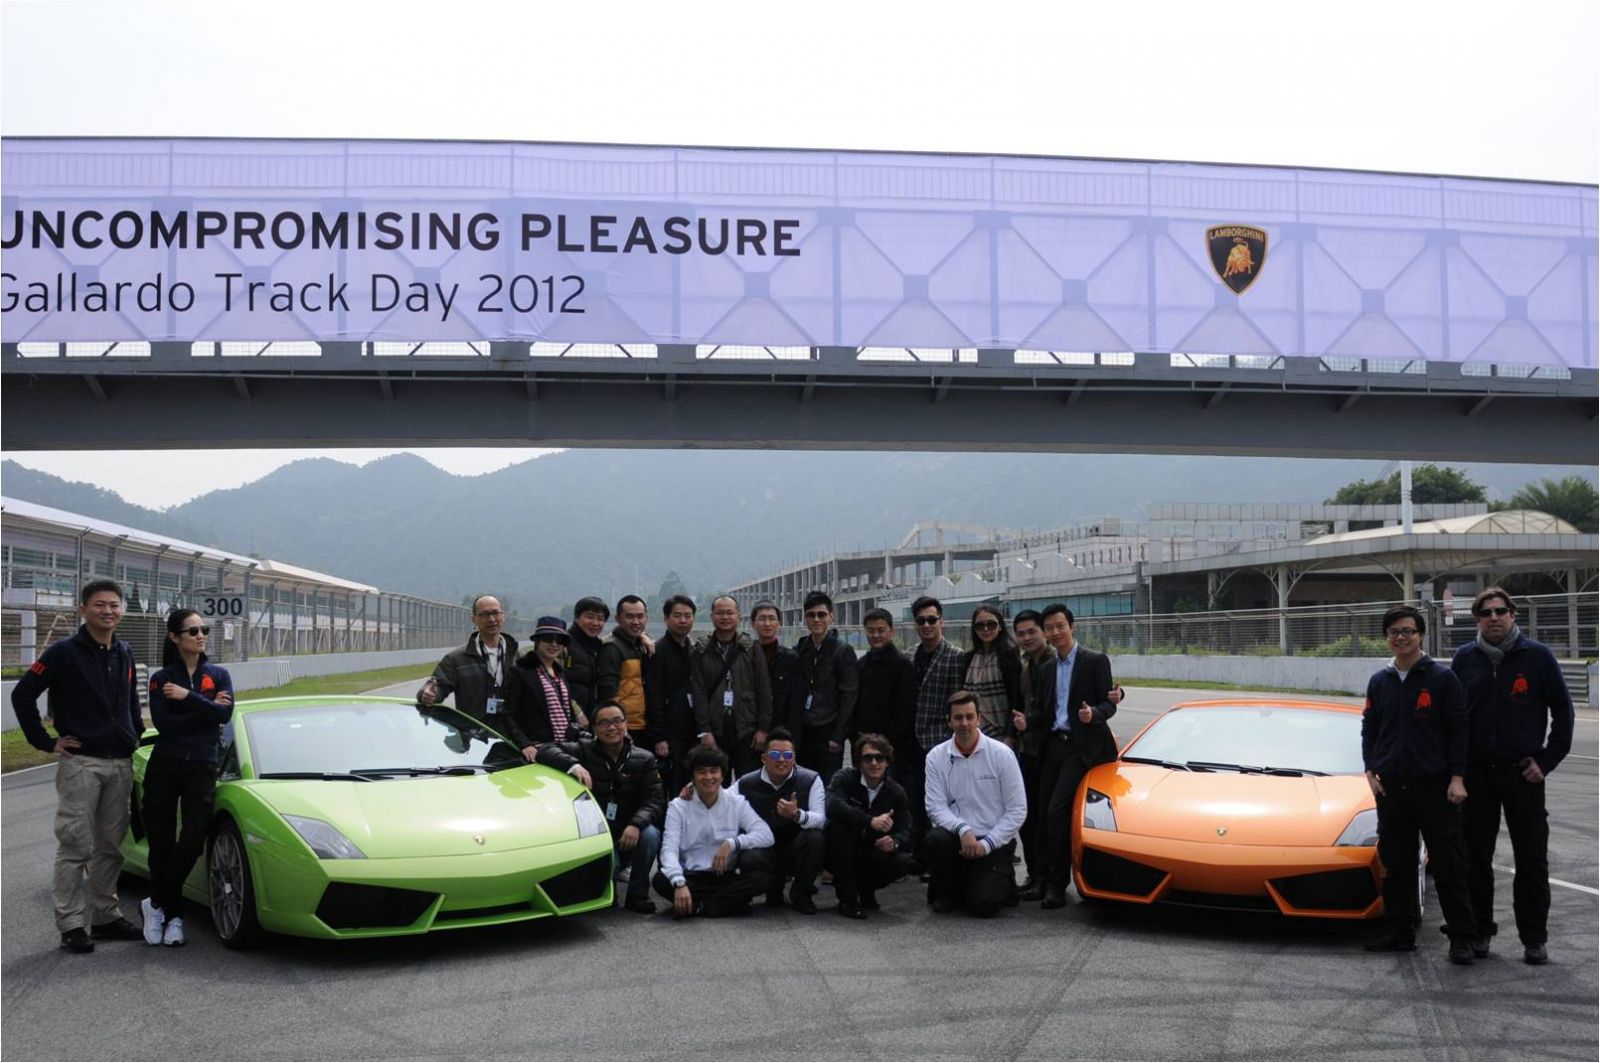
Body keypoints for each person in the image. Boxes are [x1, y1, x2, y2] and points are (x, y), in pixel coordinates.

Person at [10, 579, 146, 953]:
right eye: (100, 604)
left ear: (122, 610)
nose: (108, 611)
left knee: (111, 848)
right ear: (83, 609)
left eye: (114, 605)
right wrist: (46, 742)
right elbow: (22, 694)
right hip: (81, 764)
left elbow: (131, 704)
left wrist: (135, 735)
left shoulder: (124, 651)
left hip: (120, 762)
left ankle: (105, 917)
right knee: (75, 846)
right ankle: (70, 923)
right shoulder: (62, 653)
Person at [1451, 588, 1573, 965]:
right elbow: (1453, 719)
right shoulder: (1464, 659)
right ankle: (1479, 932)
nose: (1494, 617)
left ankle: (1534, 938)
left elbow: (1564, 713)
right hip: (1477, 776)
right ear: (1477, 619)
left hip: (1523, 775)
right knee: (1475, 858)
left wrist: (1546, 762)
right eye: (1486, 612)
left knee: (1532, 859)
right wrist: (1456, 772)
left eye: (1500, 611)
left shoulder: (1537, 657)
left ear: (1513, 615)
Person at [1361, 604, 1477, 964]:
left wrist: (1457, 778)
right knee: (1396, 864)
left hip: (1436, 788)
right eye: (1394, 632)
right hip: (1392, 789)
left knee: (1449, 864)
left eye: (1408, 631)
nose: (1401, 638)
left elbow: (1459, 730)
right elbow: (1370, 728)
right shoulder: (1379, 681)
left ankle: (1461, 938)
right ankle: (1400, 932)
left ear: (1421, 635)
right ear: (1386, 638)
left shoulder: (1442, 679)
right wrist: (1370, 771)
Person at [138, 608, 235, 947]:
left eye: (203, 629)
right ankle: (173, 915)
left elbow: (226, 714)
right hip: (165, 765)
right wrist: (207, 709)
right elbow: (165, 725)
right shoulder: (161, 678)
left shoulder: (219, 674)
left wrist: (188, 698)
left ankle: (155, 902)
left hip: (202, 767)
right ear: (174, 637)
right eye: (192, 631)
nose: (200, 635)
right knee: (161, 843)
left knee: (194, 838)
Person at [1025, 603, 1118, 909]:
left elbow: (1109, 704)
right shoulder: (1047, 668)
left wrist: (1094, 714)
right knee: (1041, 813)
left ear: (1072, 627)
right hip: (1055, 745)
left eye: (1060, 626)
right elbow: (1043, 710)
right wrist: (1027, 721)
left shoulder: (1095, 661)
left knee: (1057, 812)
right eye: (1050, 628)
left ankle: (1057, 885)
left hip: (1082, 747)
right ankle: (1041, 880)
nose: (1055, 632)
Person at [538, 701, 665, 914]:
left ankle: (638, 895)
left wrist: (636, 824)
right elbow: (545, 750)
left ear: (626, 724)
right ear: (594, 728)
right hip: (597, 828)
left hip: (629, 829)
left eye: (617, 721)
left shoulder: (644, 758)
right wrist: (573, 765)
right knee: (608, 887)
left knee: (651, 834)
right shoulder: (582, 750)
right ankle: (606, 893)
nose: (612, 727)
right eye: (604, 723)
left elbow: (655, 800)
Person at [922, 691, 1028, 917]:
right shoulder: (935, 757)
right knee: (934, 840)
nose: (964, 723)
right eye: (958, 717)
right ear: (949, 721)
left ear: (979, 718)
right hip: (957, 838)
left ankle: (999, 882)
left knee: (982, 906)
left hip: (993, 840)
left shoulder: (1002, 755)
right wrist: (962, 829)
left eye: (969, 717)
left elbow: (1017, 810)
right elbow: (935, 806)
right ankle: (950, 891)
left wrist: (987, 844)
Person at [654, 745, 775, 918]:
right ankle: (724, 904)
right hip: (690, 877)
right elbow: (669, 849)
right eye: (701, 772)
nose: (709, 777)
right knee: (661, 879)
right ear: (692, 777)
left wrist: (732, 843)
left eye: (714, 771)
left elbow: (766, 834)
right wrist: (679, 883)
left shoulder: (736, 802)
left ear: (722, 775)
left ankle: (700, 907)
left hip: (725, 877)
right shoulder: (678, 806)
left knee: (762, 877)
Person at [735, 728, 827, 913]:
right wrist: (693, 791)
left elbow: (821, 819)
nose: (782, 760)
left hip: (795, 847)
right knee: (748, 856)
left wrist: (797, 815)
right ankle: (772, 888)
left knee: (816, 838)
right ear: (764, 758)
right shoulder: (745, 782)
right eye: (775, 754)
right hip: (764, 849)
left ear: (794, 758)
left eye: (788, 755)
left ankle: (801, 893)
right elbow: (721, 800)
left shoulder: (811, 779)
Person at [825, 732, 916, 918]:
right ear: (859, 762)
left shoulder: (896, 792)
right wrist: (870, 820)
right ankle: (847, 900)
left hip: (872, 850)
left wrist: (895, 841)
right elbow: (832, 806)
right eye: (868, 758)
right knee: (839, 830)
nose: (874, 763)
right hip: (840, 850)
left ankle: (866, 890)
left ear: (887, 762)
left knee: (903, 862)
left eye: (879, 758)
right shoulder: (844, 778)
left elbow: (907, 830)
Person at [690, 595, 773, 780]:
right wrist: (705, 731)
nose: (725, 617)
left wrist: (763, 729)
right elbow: (699, 693)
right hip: (715, 730)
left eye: (730, 612)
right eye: (720, 613)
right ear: (712, 616)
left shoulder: (751, 649)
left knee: (748, 785)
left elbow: (763, 690)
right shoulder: (701, 651)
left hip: (747, 729)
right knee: (717, 785)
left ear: (738, 616)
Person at [906, 596, 967, 842]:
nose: (926, 625)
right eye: (921, 621)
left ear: (942, 621)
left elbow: (957, 700)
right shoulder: (910, 655)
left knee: (944, 801)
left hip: (939, 740)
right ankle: (920, 850)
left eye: (931, 620)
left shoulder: (955, 656)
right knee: (914, 800)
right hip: (911, 741)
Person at [417, 594, 517, 728]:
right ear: (474, 619)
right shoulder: (457, 659)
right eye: (485, 614)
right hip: (473, 734)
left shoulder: (518, 657)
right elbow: (437, 685)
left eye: (495, 613)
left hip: (511, 735)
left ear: (503, 616)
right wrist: (428, 694)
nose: (492, 619)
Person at [793, 591, 859, 777]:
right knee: (804, 783)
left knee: (827, 784)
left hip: (828, 733)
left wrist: (838, 735)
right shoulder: (800, 650)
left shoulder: (842, 651)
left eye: (821, 614)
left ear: (831, 617)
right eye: (811, 615)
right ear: (805, 618)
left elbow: (849, 696)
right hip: (804, 732)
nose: (816, 619)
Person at [1011, 609, 1052, 894]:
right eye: (1021, 633)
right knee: (1028, 816)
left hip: (1051, 750)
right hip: (1028, 749)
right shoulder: (1025, 664)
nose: (1026, 638)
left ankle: (1047, 878)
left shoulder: (1056, 662)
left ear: (1043, 631)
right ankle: (1034, 875)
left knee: (1047, 818)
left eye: (1031, 632)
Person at [503, 617, 582, 759]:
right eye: (548, 639)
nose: (554, 644)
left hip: (566, 746)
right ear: (537, 641)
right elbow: (509, 714)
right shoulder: (521, 672)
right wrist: (524, 744)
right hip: (540, 748)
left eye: (559, 640)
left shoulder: (560, 673)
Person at [650, 594, 700, 797]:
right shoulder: (657, 651)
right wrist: (659, 736)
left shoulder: (694, 649)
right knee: (674, 787)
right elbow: (654, 695)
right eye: (677, 615)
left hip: (694, 730)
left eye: (688, 616)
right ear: (666, 618)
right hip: (671, 734)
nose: (683, 620)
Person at [853, 608, 917, 756]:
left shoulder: (903, 665)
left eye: (881, 630)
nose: (876, 635)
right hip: (862, 743)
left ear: (892, 631)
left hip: (893, 746)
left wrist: (887, 741)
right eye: (871, 630)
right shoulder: (861, 665)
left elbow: (906, 711)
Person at [597, 595, 657, 751]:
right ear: (618, 619)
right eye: (629, 617)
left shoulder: (641, 645)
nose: (636, 622)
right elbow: (608, 691)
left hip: (644, 723)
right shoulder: (611, 648)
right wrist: (619, 727)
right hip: (626, 728)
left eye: (640, 616)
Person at [962, 603, 1022, 743]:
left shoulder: (1009, 655)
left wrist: (1010, 735)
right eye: (980, 625)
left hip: (1001, 731)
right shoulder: (969, 658)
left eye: (991, 624)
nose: (986, 629)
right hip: (973, 731)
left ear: (1000, 626)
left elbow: (1015, 698)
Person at [752, 600, 805, 737]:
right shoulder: (745, 657)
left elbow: (796, 703)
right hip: (751, 731)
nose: (767, 623)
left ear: (779, 624)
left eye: (772, 618)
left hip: (782, 733)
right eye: (762, 619)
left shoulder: (791, 658)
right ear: (753, 624)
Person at [565, 596, 610, 722]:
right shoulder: (563, 644)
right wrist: (577, 713)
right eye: (590, 617)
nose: (595, 623)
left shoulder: (599, 647)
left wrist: (643, 637)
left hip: (593, 718)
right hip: (568, 717)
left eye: (600, 619)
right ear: (576, 617)